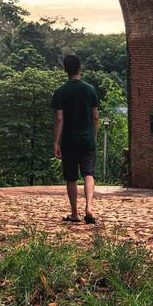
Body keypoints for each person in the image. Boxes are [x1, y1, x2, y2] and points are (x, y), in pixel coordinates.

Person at [51, 52, 100, 224]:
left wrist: (56, 142)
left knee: (71, 177)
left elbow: (59, 119)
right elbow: (95, 117)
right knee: (89, 173)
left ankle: (74, 213)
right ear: (80, 68)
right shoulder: (90, 90)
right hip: (87, 140)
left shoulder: (60, 92)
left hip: (69, 141)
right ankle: (89, 207)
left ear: (65, 70)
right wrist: (93, 136)